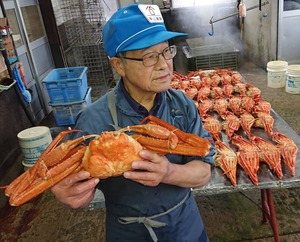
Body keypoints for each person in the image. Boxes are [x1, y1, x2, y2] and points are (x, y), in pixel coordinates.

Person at [51, 3, 215, 242]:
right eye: (149, 56)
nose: (163, 65)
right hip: (129, 233)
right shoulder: (93, 122)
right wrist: (71, 193)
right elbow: (77, 187)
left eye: (166, 51)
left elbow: (203, 173)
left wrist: (168, 171)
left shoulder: (182, 106)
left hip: (185, 226)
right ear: (119, 65)